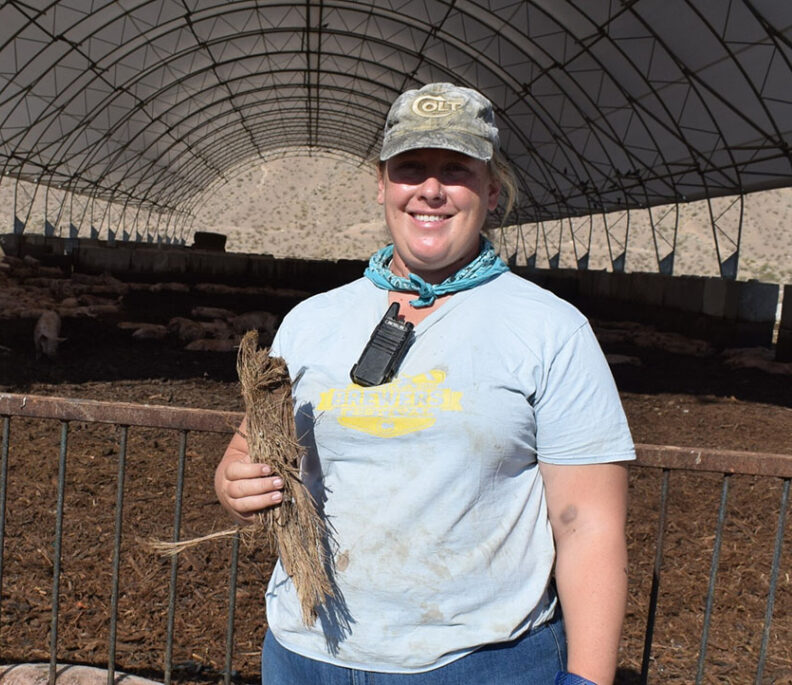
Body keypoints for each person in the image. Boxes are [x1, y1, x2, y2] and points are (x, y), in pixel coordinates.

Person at [215, 82, 633, 685]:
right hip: (306, 654)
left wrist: (587, 681)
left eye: (455, 170)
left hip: (477, 663)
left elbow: (587, 525)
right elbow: (249, 445)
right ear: (383, 185)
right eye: (411, 168)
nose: (430, 190)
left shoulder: (551, 329)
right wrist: (234, 482)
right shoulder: (312, 320)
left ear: (491, 190)